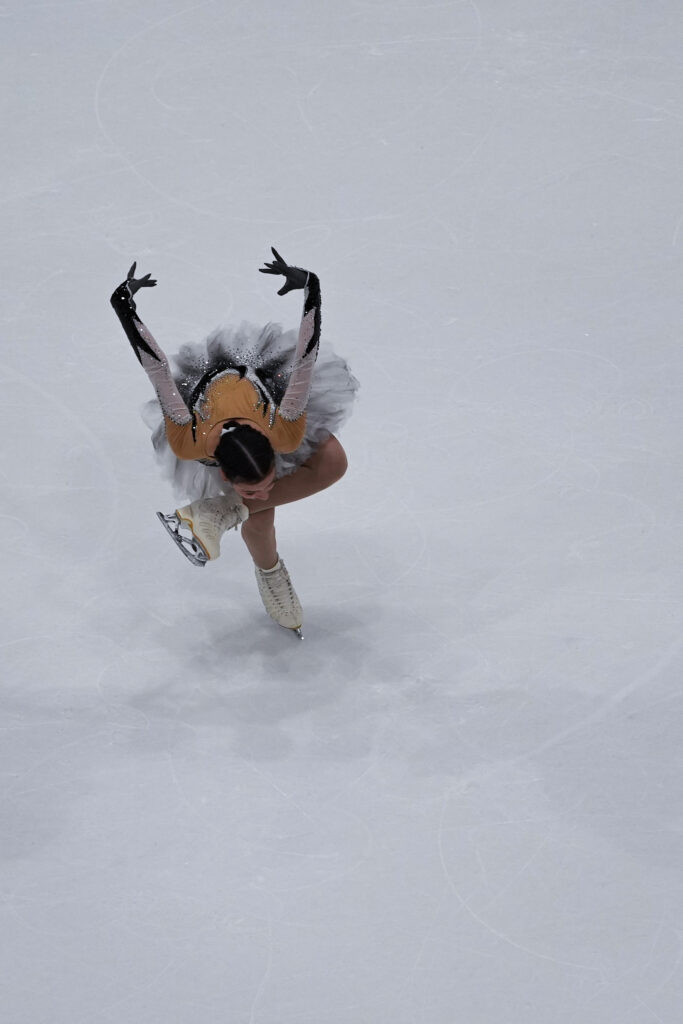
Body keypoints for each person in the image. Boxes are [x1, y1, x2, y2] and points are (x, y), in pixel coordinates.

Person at [110, 249, 358, 637]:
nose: (260, 492)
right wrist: (121, 301)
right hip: (208, 410)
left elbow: (305, 358)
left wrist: (311, 285)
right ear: (223, 473)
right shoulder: (187, 440)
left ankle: (222, 511)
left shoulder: (286, 427)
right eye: (248, 488)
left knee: (334, 463)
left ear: (276, 456)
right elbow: (155, 367)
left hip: (264, 387)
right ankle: (270, 571)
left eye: (266, 482)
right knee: (260, 517)